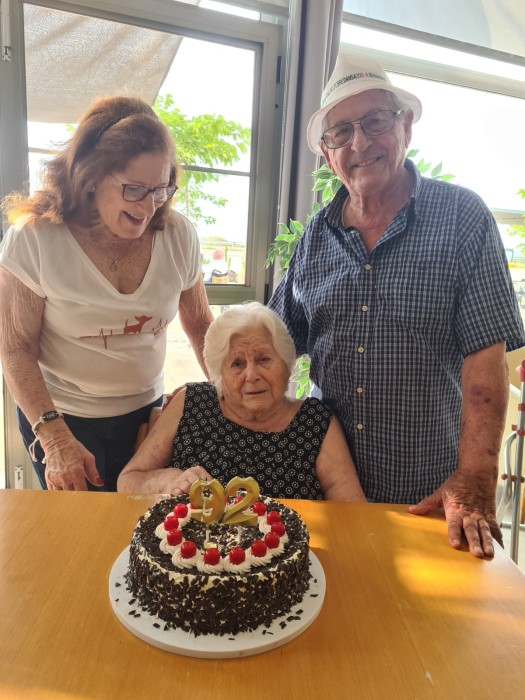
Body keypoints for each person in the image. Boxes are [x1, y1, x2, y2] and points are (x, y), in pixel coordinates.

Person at [268, 52, 525, 557]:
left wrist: (475, 476)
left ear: (404, 125)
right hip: (323, 489)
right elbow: (273, 345)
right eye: (341, 132)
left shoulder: (461, 217)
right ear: (327, 154)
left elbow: (485, 362)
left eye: (375, 122)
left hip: (431, 498)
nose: (360, 143)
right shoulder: (315, 237)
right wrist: (207, 402)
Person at [0, 95, 214, 493]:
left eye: (161, 190)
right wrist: (54, 438)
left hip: (147, 414)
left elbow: (200, 324)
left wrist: (232, 399)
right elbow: (15, 348)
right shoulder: (35, 238)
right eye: (133, 189)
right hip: (61, 418)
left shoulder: (179, 235)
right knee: (81, 526)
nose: (148, 207)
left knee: (144, 521)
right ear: (91, 176)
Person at [118, 302, 366, 501]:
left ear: (287, 365)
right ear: (219, 374)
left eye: (263, 359)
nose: (252, 375)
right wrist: (170, 480)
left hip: (285, 548)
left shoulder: (315, 421)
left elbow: (352, 511)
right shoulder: (191, 403)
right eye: (237, 363)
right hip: (189, 546)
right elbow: (128, 480)